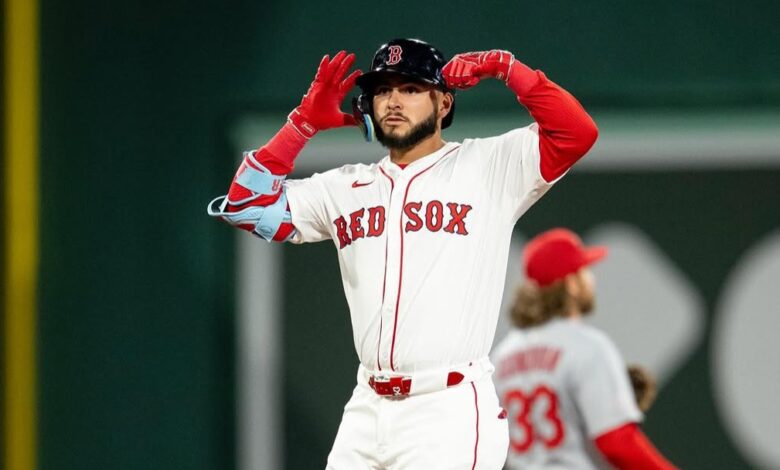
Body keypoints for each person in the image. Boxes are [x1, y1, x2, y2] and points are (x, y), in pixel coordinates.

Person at [207, 38, 598, 469]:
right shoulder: (345, 187)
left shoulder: (488, 166)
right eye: (382, 90)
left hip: (446, 408)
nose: (393, 100)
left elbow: (576, 133)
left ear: (444, 103)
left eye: (411, 88)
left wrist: (509, 68)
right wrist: (300, 124)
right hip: (367, 407)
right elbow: (246, 206)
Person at [491, 228, 677, 469]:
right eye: (585, 271)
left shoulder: (501, 356)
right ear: (571, 284)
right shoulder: (586, 346)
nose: (591, 278)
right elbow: (617, 442)